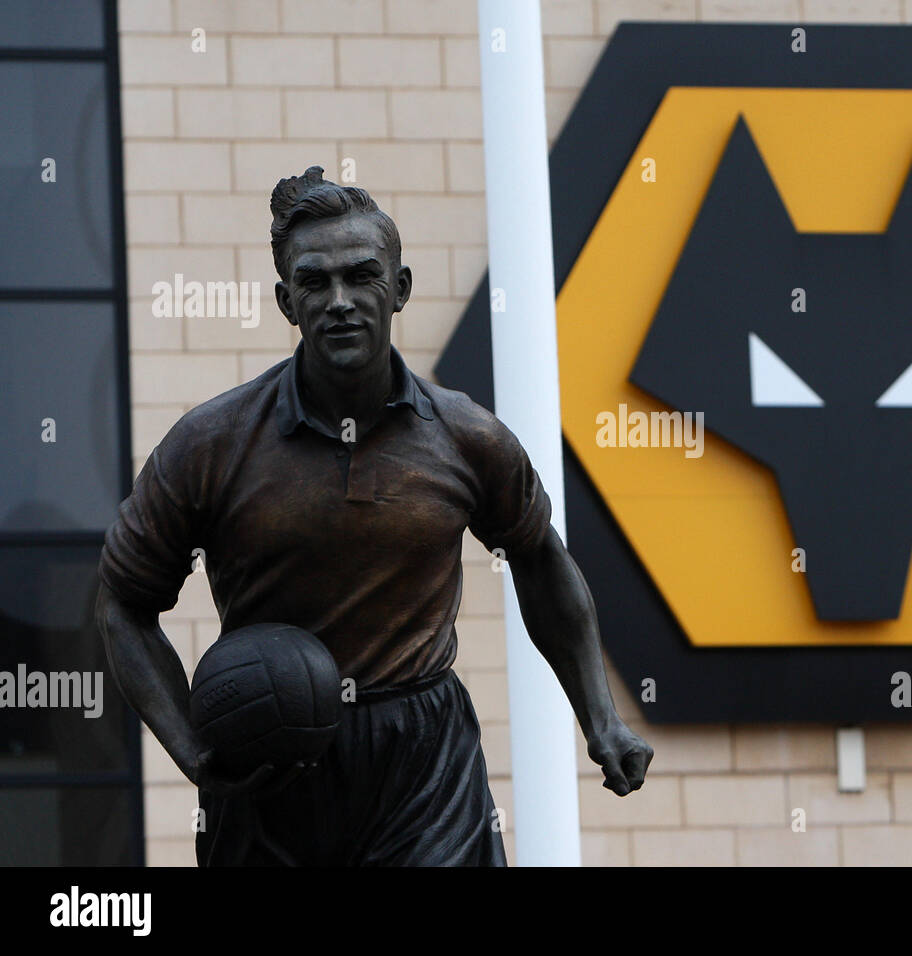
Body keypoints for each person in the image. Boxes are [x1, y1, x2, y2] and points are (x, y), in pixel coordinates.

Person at [96, 166, 652, 866]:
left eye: (362, 276)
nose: (339, 301)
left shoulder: (466, 436)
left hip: (424, 763)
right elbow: (123, 602)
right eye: (313, 282)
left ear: (401, 288)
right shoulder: (211, 444)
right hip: (273, 765)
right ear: (284, 301)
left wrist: (601, 720)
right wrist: (196, 752)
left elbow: (541, 560)